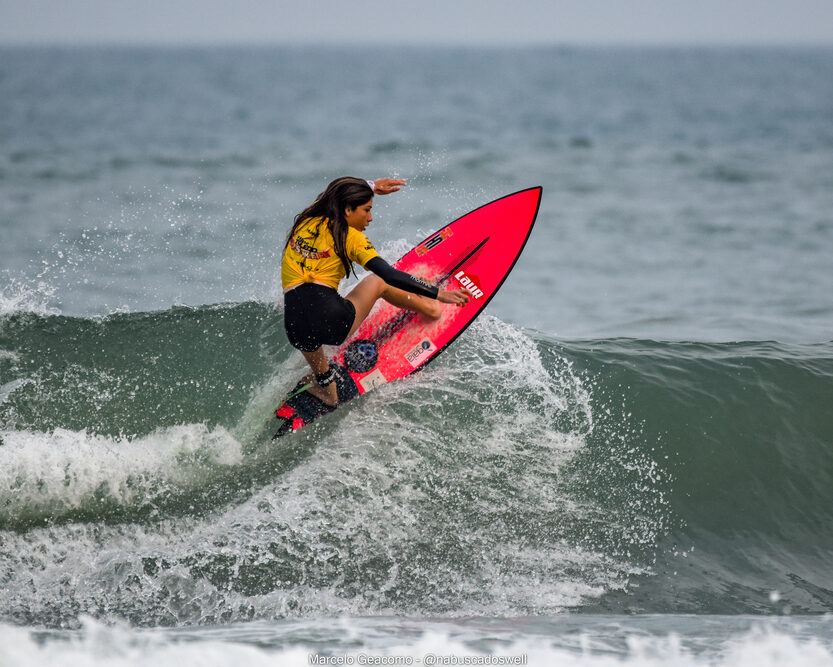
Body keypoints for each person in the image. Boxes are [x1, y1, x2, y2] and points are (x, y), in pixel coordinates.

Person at [282, 176, 470, 406]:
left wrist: (370, 187)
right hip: (333, 323)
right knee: (377, 281)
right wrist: (436, 293)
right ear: (347, 210)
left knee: (305, 320)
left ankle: (327, 387)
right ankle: (428, 307)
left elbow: (329, 193)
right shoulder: (352, 238)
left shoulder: (308, 219)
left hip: (295, 330)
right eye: (366, 210)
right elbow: (388, 275)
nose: (370, 218)